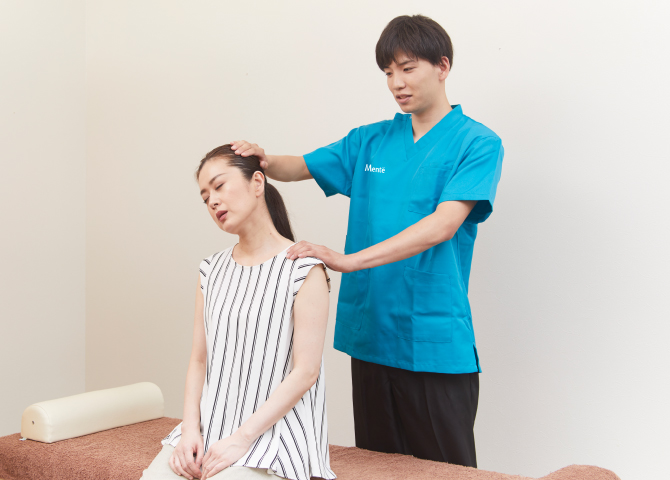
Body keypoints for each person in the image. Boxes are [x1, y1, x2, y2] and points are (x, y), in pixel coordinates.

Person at [229, 14, 504, 468]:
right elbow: (301, 166)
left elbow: (442, 225)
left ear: (443, 66)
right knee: (377, 469)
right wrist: (264, 159)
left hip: (433, 340)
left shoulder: (477, 143)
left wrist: (349, 260)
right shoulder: (371, 141)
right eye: (388, 72)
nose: (397, 82)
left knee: (447, 473)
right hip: (372, 334)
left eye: (408, 68)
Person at [141, 145, 335, 480]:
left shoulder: (304, 269)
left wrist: (242, 439)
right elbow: (199, 360)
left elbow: (306, 372)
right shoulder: (210, 269)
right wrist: (190, 429)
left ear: (257, 183)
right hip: (210, 427)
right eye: (205, 197)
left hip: (275, 436)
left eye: (219, 186)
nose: (212, 201)